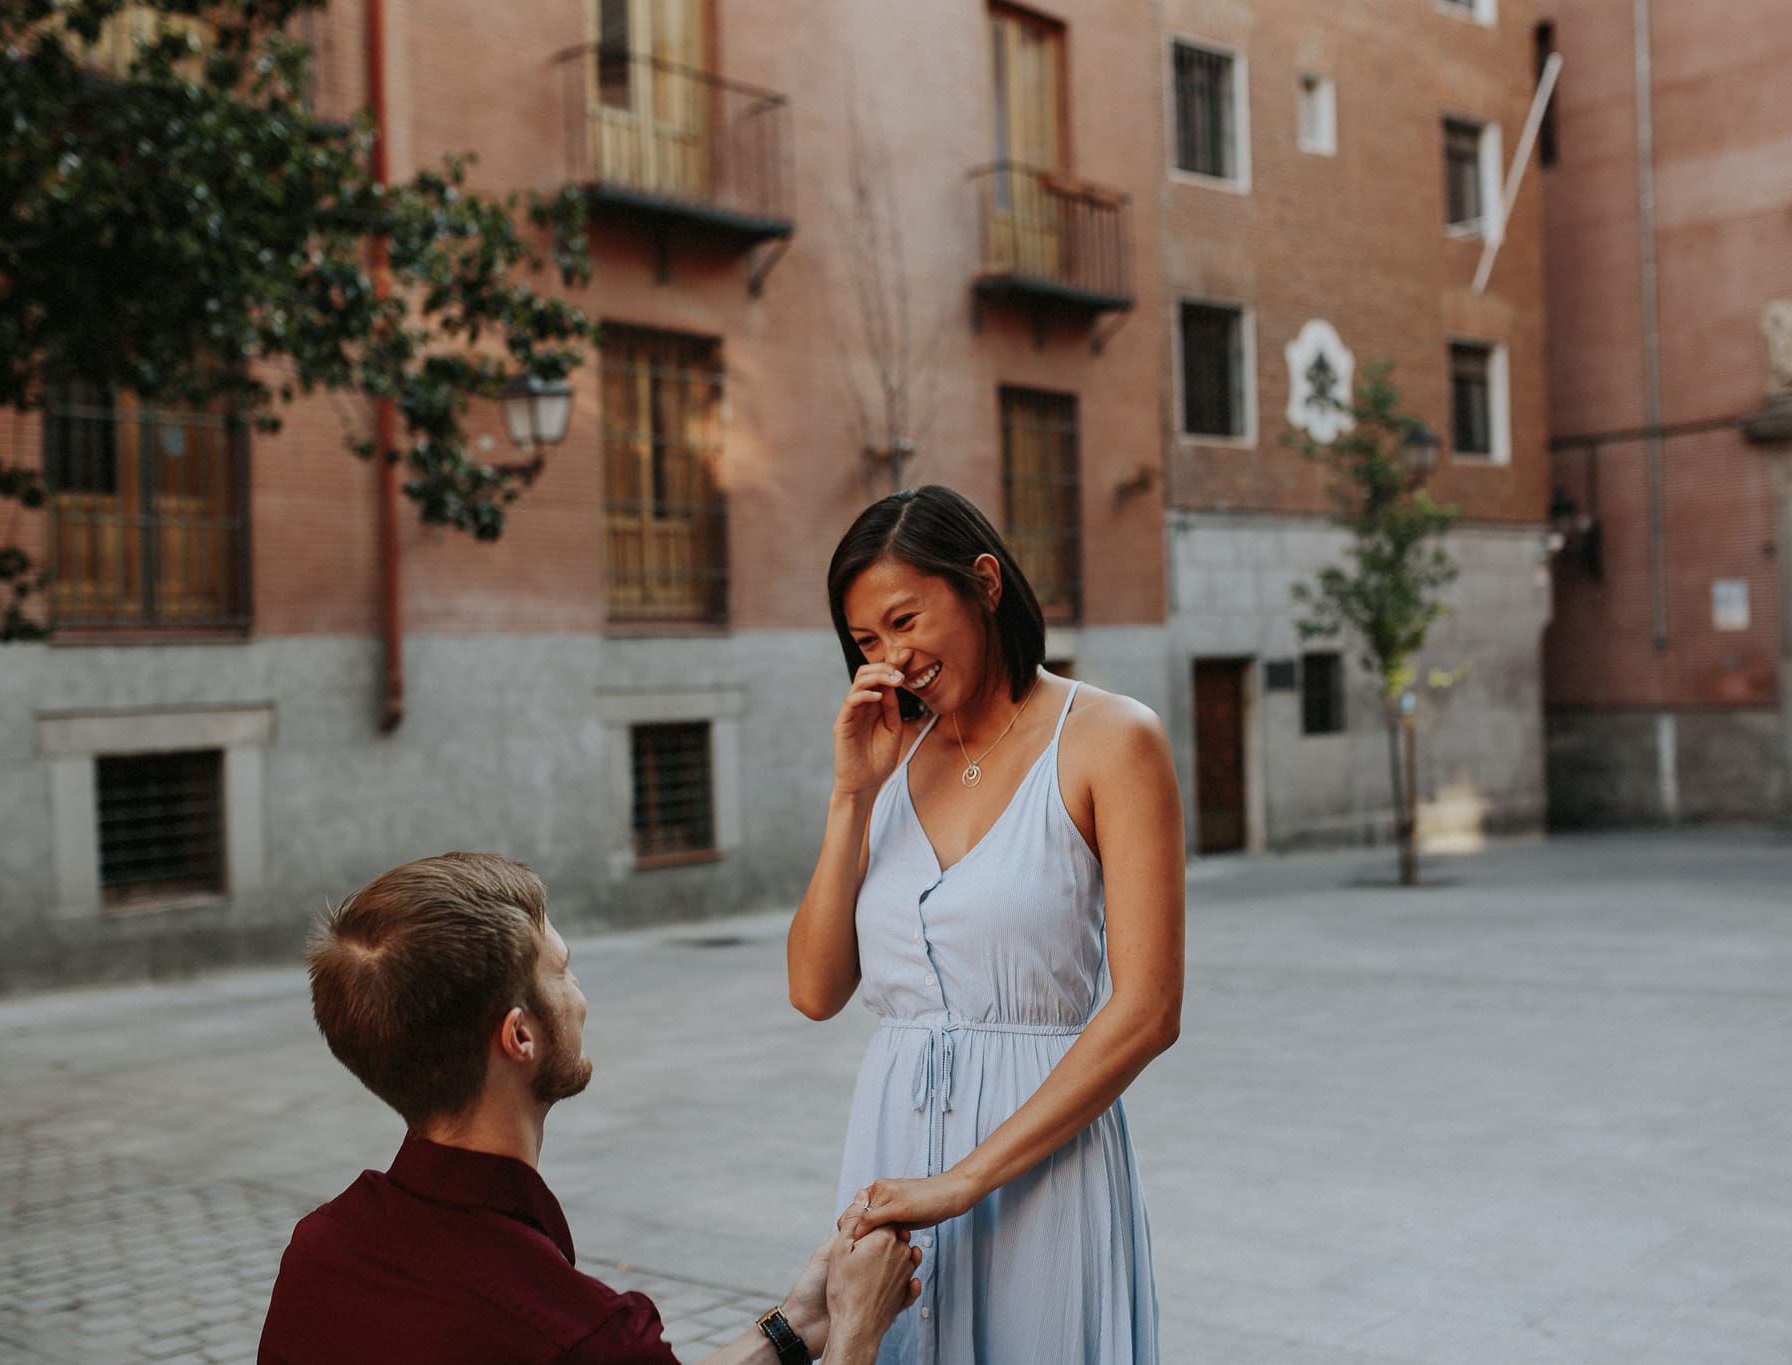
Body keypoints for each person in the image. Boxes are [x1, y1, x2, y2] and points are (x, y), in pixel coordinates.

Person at [787, 486, 1185, 1364]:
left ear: (985, 582)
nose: (892, 658)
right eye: (866, 641)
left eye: (905, 619)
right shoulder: (890, 760)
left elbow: (1151, 1009)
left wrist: (964, 1180)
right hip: (891, 1153)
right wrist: (852, 791)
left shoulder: (1112, 739)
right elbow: (815, 990)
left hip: (1041, 1164)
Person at [260, 852, 921, 1365]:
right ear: (520, 1035)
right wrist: (858, 1327)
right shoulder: (576, 1332)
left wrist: (794, 1327)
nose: (579, 994)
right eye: (563, 969)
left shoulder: (319, 1250)